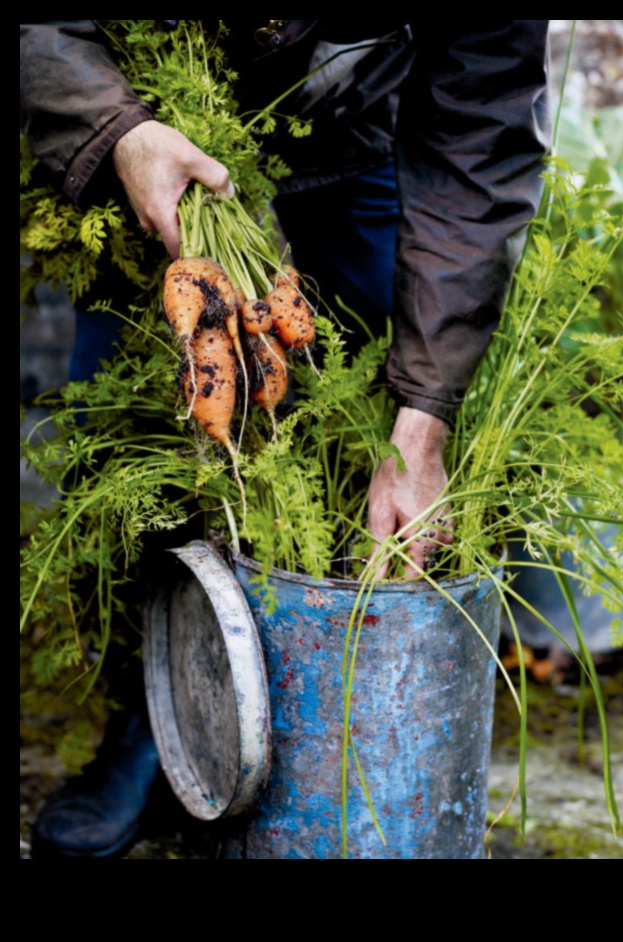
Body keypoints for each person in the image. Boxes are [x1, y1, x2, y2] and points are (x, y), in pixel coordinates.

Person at [20, 19, 550, 857]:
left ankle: (330, 719)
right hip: (160, 147)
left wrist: (423, 424)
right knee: (136, 444)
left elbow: (481, 131)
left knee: (365, 413)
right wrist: (113, 128)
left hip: (354, 143)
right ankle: (155, 723)